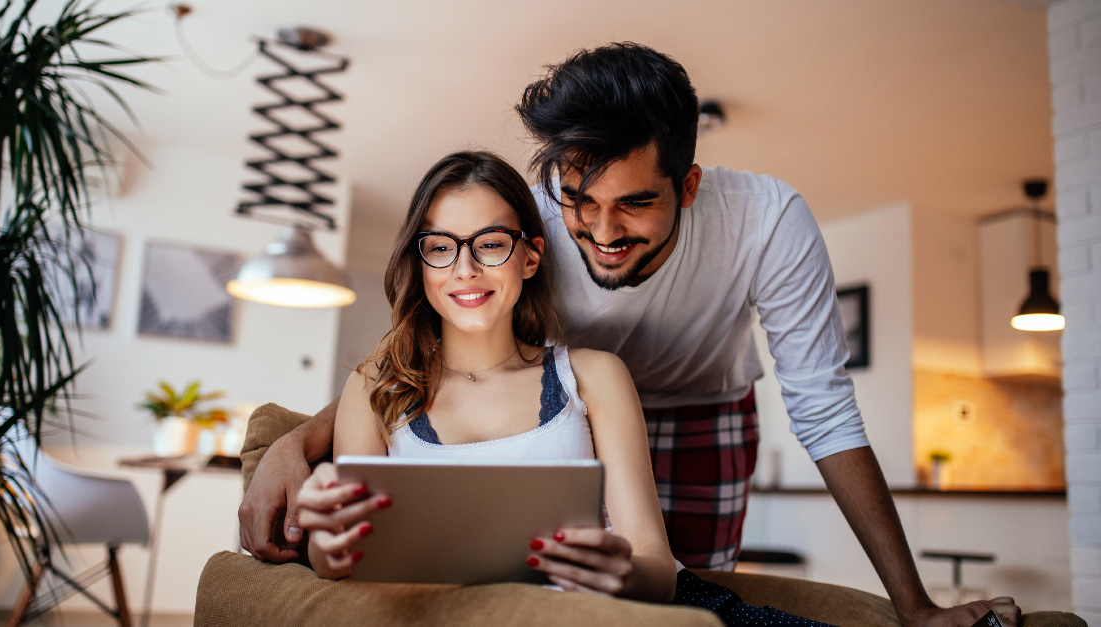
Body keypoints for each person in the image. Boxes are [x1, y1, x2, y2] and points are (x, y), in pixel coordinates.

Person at [239, 43, 1020, 627]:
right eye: (581, 201)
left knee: (689, 599)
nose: (602, 231)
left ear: (687, 185)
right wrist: (294, 444)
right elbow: (420, 346)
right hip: (573, 404)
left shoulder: (767, 222)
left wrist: (913, 607)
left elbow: (824, 408)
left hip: (702, 406)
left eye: (635, 205)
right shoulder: (523, 220)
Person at [299, 150, 836, 626]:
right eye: (440, 247)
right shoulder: (375, 388)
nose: (464, 268)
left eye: (490, 244)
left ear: (530, 256)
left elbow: (656, 568)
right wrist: (327, 538)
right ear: (420, 263)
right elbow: (338, 561)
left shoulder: (594, 376)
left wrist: (620, 572)